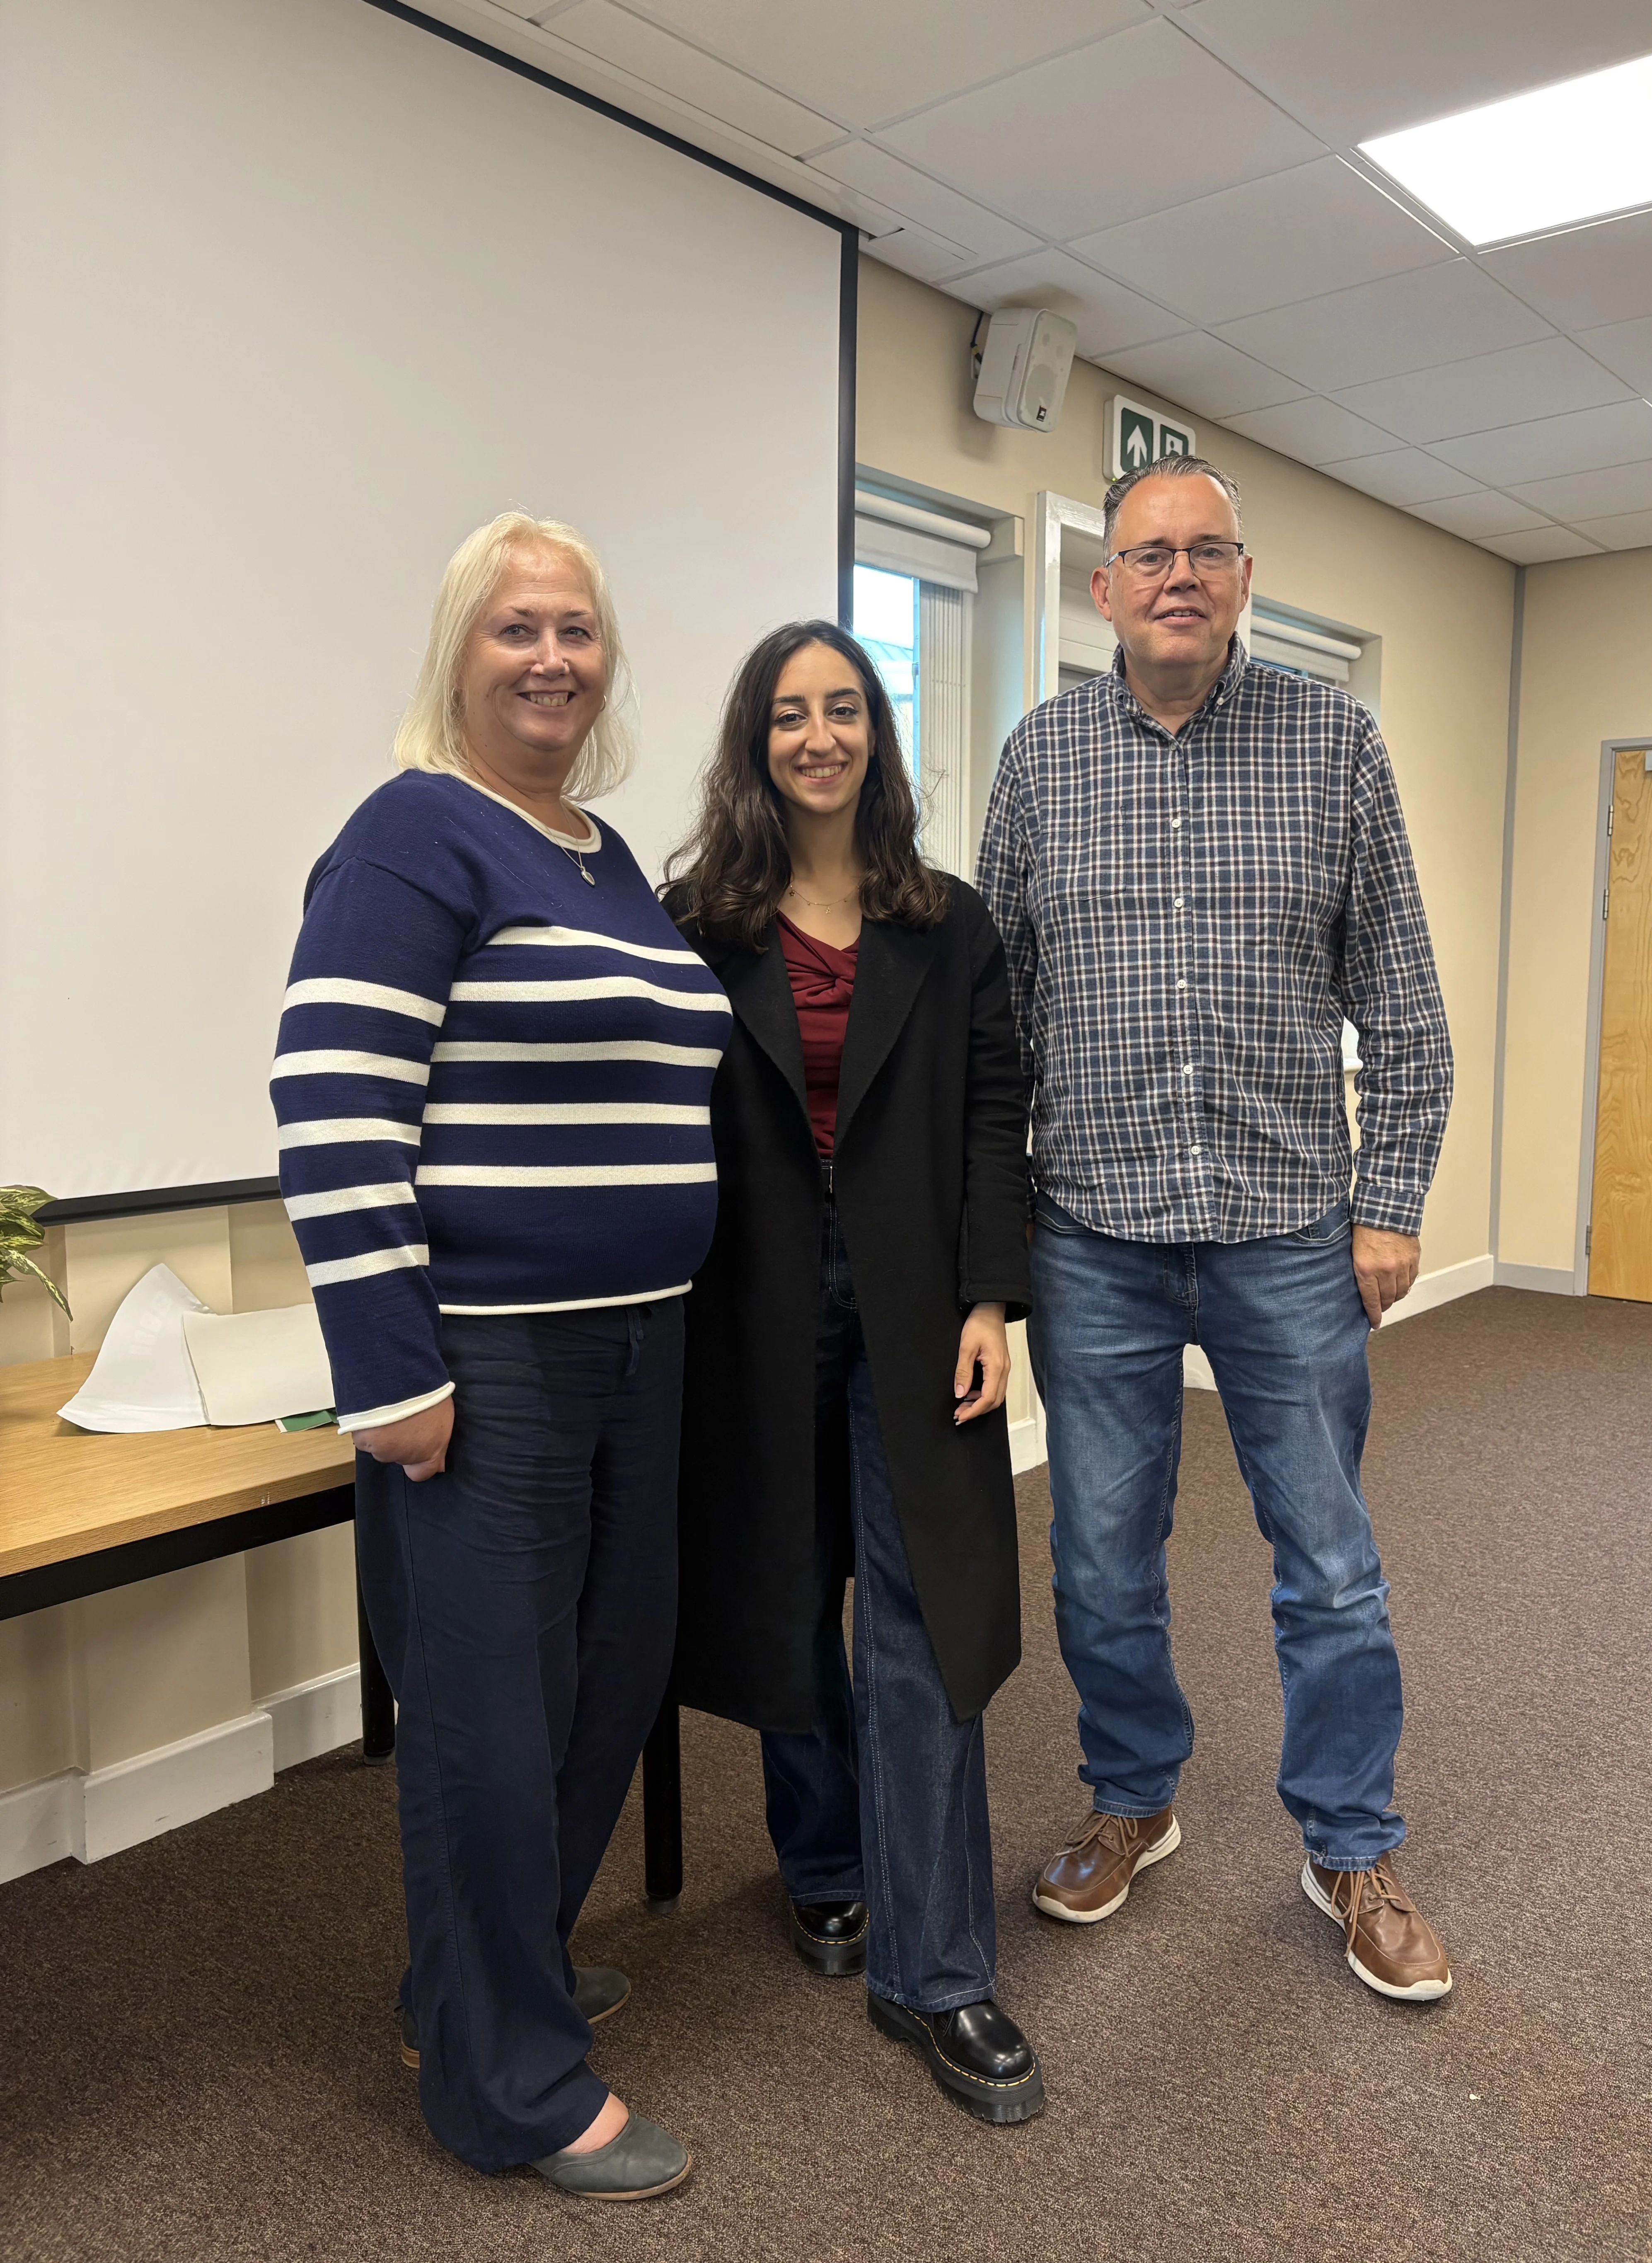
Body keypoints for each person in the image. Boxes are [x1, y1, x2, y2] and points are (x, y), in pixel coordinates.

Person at [272, 512, 730, 2200]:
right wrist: (389, 1370)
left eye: (580, 630)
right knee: (487, 1712)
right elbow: (332, 1108)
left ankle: (482, 1983)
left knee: (608, 1676)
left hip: (640, 1347)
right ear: (460, 651)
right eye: (517, 627)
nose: (552, 657)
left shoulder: (600, 855)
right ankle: (509, 2086)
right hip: (489, 1360)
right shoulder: (411, 837)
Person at [977, 456, 1456, 2003]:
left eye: (1205, 551)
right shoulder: (1043, 759)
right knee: (1104, 1562)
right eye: (1145, 555)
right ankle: (1135, 1801)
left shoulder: (1334, 742)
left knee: (1328, 1563)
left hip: (1287, 1232)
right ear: (1102, 589)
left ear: (1243, 578)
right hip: (1097, 1233)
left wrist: (1391, 1203)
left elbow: (1401, 996)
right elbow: (1000, 1015)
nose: (1176, 576)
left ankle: (1351, 1845)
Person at [663, 620, 1044, 2123]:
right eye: (787, 714)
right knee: (786, 1592)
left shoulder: (946, 921)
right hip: (745, 1308)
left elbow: (995, 1108)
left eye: (844, 710)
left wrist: (992, 1297)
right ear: (755, 742)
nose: (818, 736)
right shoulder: (696, 919)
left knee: (921, 1616)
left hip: (915, 1306)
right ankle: (824, 1865)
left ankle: (940, 1968)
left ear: (877, 734)